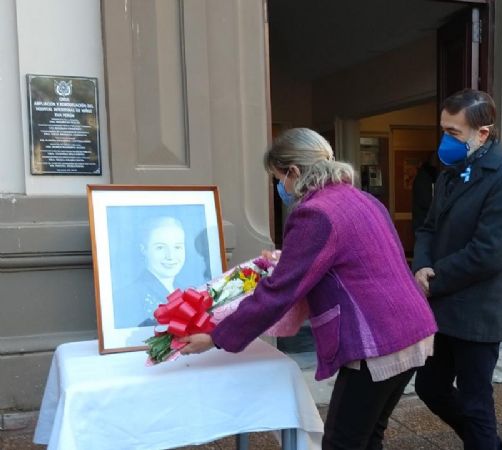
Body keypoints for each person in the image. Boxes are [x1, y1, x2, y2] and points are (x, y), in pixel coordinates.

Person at [179, 128, 438, 450]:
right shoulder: (361, 198)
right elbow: (351, 260)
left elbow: (280, 291)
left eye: (278, 178)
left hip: (379, 339)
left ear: (295, 172)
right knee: (369, 434)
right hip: (412, 329)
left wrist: (217, 337)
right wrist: (287, 260)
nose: (280, 188)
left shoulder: (315, 212)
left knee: (342, 442)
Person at [412, 89, 502, 450]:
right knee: (429, 386)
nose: (444, 140)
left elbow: (490, 252)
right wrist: (421, 266)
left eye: (453, 132)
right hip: (442, 306)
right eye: (443, 130)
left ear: (482, 133)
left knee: (476, 401)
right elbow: (428, 228)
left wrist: (436, 279)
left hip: (477, 311)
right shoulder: (450, 172)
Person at [114, 216, 190, 328]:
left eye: (177, 247)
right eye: (160, 247)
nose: (171, 256)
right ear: (144, 249)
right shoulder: (128, 297)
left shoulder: (187, 291)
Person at [411, 151, 439, 232]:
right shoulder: (424, 178)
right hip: (423, 224)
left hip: (425, 223)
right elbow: (426, 202)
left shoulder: (429, 176)